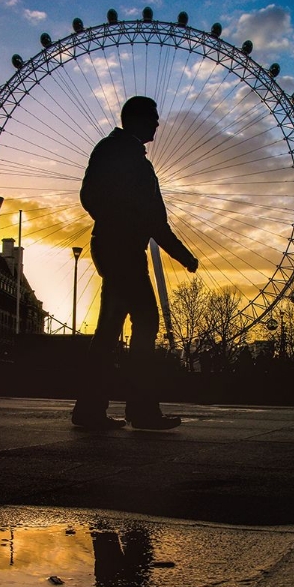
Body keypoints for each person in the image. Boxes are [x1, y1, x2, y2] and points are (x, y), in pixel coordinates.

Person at [71, 96, 198, 430]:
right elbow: (151, 218)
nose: (158, 123)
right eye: (154, 118)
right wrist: (182, 254)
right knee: (145, 324)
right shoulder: (122, 154)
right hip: (123, 251)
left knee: (110, 329)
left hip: (114, 247)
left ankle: (90, 409)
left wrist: (112, 220)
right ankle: (140, 409)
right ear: (137, 119)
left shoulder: (115, 151)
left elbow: (93, 197)